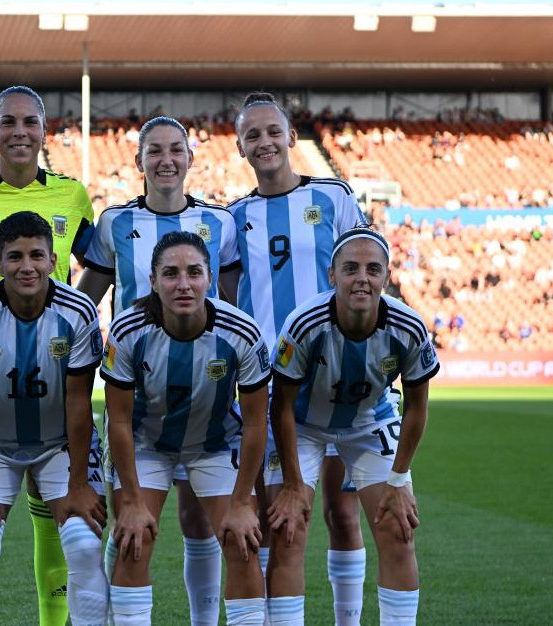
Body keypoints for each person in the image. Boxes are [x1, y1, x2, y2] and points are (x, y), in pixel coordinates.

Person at [0, 85, 96, 626]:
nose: (20, 132)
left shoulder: (73, 195)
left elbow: (96, 260)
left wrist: (77, 311)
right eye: (8, 122)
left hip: (53, 372)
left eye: (30, 122)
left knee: (62, 527)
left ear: (44, 130)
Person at [78, 116, 239, 625]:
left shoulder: (220, 223)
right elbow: (89, 295)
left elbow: (231, 304)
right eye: (155, 151)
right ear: (139, 162)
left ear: (191, 159)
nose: (166, 159)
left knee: (199, 521)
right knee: (131, 526)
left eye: (176, 150)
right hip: (137, 396)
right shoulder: (114, 223)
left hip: (206, 398)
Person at [224, 92, 369, 625]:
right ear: (241, 148)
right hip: (269, 384)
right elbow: (230, 295)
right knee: (276, 516)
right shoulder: (234, 218)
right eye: (252, 136)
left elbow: (367, 273)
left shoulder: (334, 197)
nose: (264, 142)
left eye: (271, 132)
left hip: (337, 373)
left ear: (290, 137)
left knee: (342, 511)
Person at [266, 228, 438, 625]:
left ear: (387, 276)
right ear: (333, 275)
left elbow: (416, 408)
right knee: (287, 528)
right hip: (305, 426)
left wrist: (398, 481)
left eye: (373, 269)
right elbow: (282, 407)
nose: (362, 277)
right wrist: (293, 485)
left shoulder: (409, 327)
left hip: (368, 422)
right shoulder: (304, 323)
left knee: (397, 526)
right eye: (351, 268)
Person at [102, 231, 271, 626]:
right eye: (171, 274)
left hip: (213, 443)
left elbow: (254, 423)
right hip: (146, 444)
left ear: (209, 279)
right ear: (153, 281)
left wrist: (245, 498)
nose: (183, 284)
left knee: (241, 540)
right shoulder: (128, 331)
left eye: (194, 273)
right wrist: (129, 499)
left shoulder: (241, 332)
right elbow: (120, 421)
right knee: (134, 537)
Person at [0, 211, 107, 624]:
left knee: (84, 541)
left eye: (37, 255)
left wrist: (77, 485)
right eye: (14, 257)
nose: (27, 266)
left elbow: (79, 402)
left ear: (54, 260)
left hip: (57, 445)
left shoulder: (78, 311)